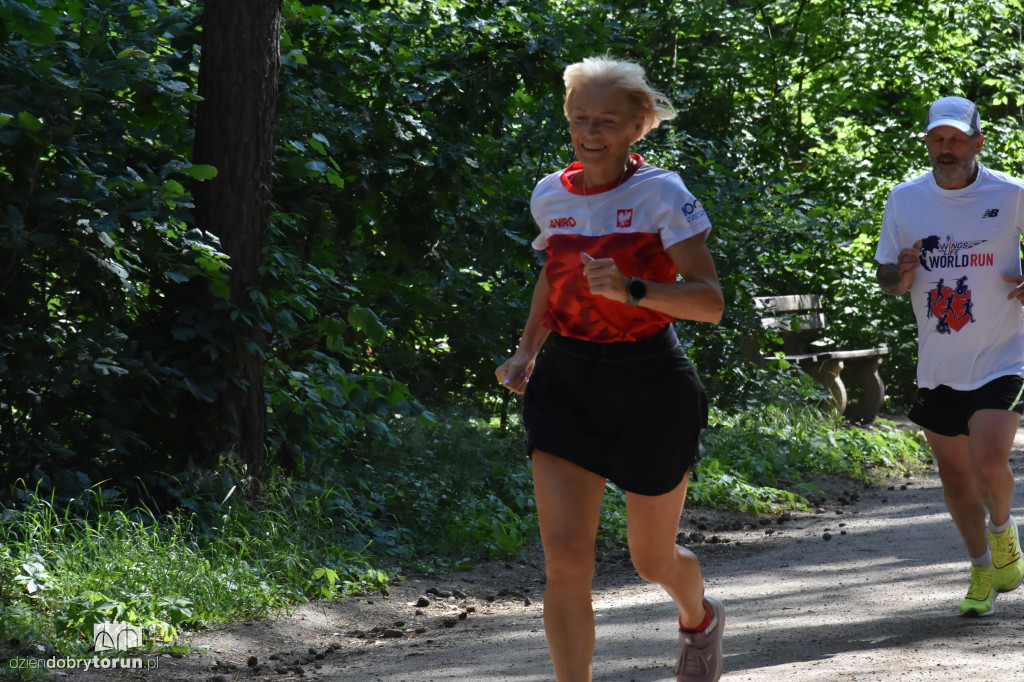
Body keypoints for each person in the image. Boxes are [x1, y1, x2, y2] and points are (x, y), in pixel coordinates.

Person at [495, 56, 725, 682]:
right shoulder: (551, 194)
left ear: (636, 127)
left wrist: (636, 290)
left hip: (651, 385)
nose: (590, 132)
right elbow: (552, 276)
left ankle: (697, 615)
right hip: (567, 384)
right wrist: (527, 349)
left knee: (651, 560)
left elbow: (709, 301)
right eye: (579, 119)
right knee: (566, 561)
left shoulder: (661, 194)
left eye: (606, 121)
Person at [875, 96, 1024, 617]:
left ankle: (1004, 531)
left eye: (957, 139)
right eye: (938, 139)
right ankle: (982, 566)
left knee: (988, 458)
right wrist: (901, 275)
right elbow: (887, 278)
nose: (946, 148)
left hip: (1007, 353)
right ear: (927, 143)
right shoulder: (905, 199)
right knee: (957, 478)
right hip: (940, 361)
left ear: (978, 143)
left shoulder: (1010, 194)